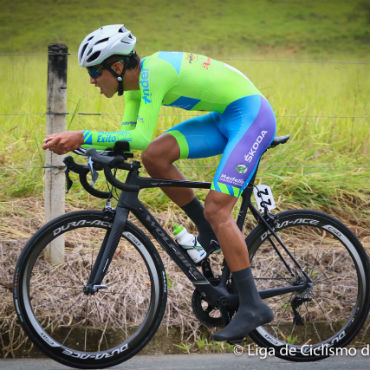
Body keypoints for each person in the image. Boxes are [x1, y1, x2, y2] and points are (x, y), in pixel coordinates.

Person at [42, 24, 276, 342]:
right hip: (224, 118)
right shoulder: (134, 89)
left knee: (218, 208)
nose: (93, 81)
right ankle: (205, 230)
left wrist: (82, 135)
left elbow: (136, 135)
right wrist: (90, 151)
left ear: (117, 66)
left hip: (252, 116)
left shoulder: (155, 72)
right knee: (155, 156)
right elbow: (131, 141)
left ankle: (252, 306)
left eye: (95, 72)